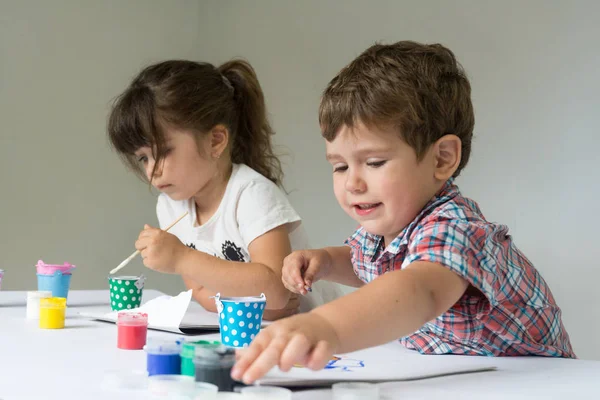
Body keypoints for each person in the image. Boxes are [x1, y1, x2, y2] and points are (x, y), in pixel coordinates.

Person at [231, 41, 575, 383]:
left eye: (374, 162)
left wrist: (325, 326)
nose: (352, 183)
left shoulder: (456, 227)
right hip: (463, 376)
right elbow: (367, 262)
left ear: (441, 159)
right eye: (339, 166)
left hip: (538, 381)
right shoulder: (385, 230)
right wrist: (325, 261)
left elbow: (417, 290)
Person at [107, 59, 338, 320]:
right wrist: (259, 305)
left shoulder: (251, 195)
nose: (152, 170)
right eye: (143, 158)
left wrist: (181, 258)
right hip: (257, 334)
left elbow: (276, 291)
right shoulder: (169, 206)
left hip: (320, 333)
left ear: (215, 141)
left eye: (163, 152)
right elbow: (200, 292)